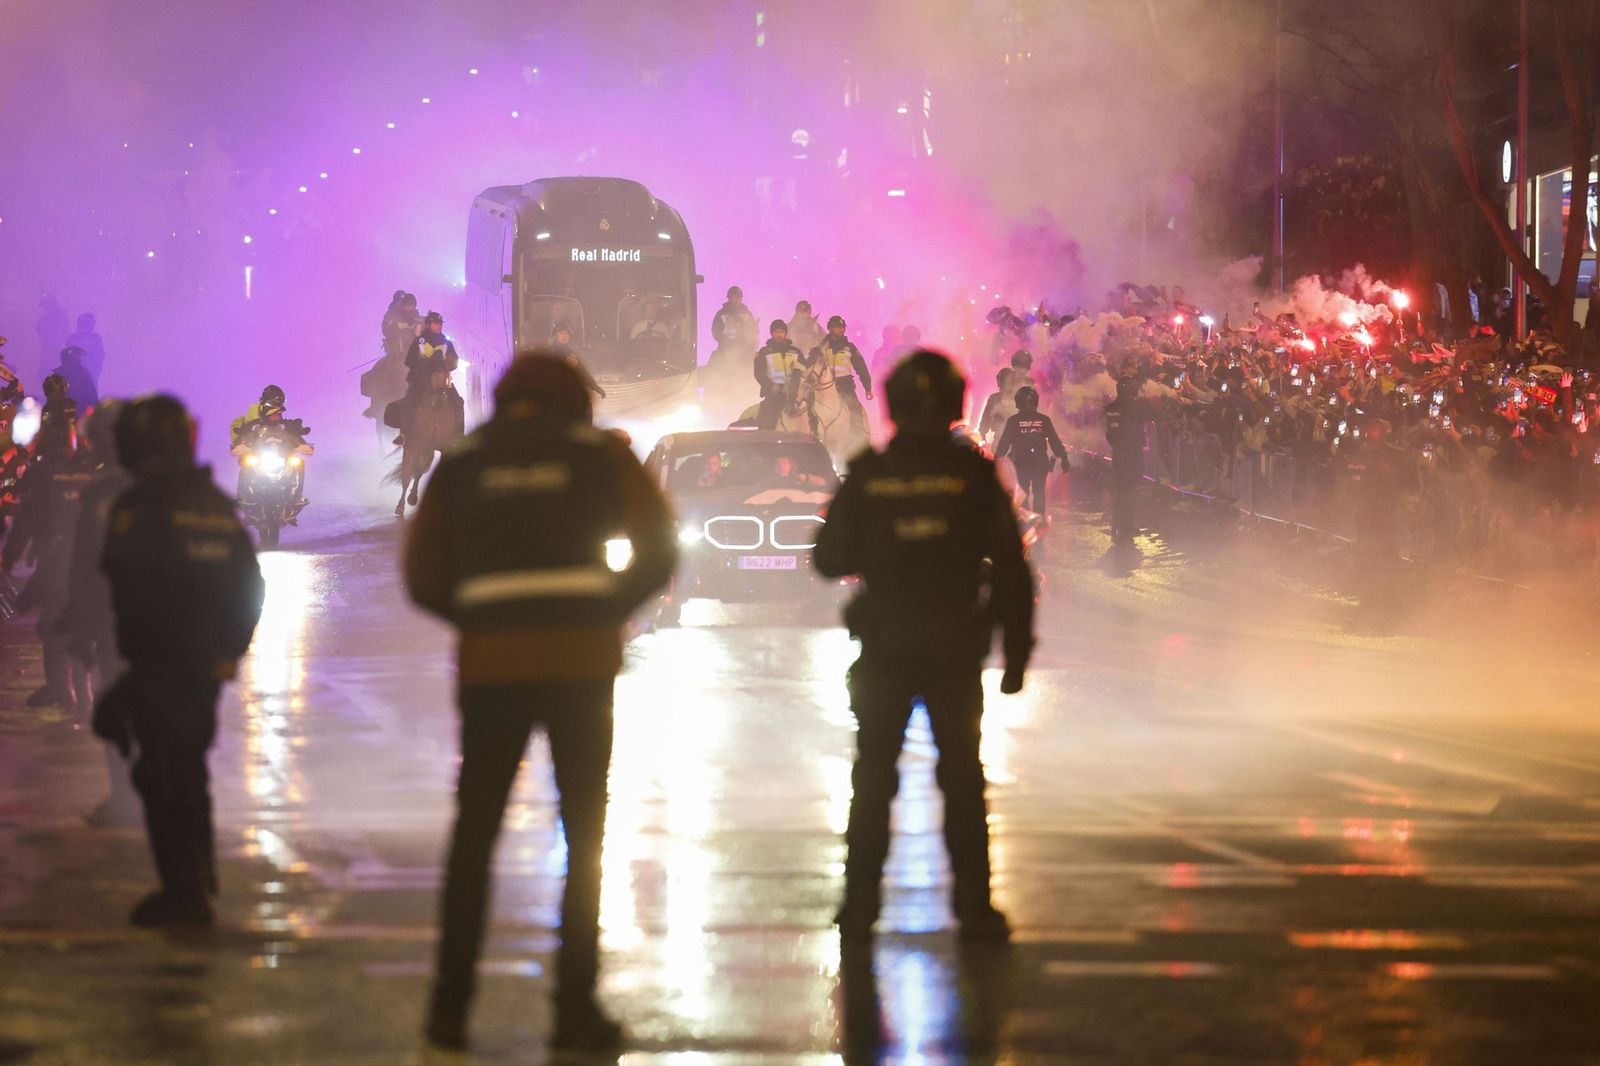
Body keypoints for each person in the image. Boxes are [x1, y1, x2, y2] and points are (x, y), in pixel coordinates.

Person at [404, 352, 677, 1053]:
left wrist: (478, 617)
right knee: (584, 837)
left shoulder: (464, 461)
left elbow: (422, 571)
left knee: (475, 837)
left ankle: (449, 1009)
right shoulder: (600, 456)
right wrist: (607, 609)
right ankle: (575, 1009)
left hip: (492, 669)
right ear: (573, 401)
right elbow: (659, 547)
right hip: (581, 665)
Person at [813, 349, 1035, 943]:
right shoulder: (974, 477)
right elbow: (1014, 572)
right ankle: (976, 911)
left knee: (874, 779)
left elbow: (828, 558)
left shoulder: (870, 474)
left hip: (885, 647)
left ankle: (859, 908)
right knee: (962, 778)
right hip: (956, 649)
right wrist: (1014, 657)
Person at [95, 395, 264, 927]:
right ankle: (199, 882)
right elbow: (249, 587)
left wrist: (132, 678)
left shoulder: (138, 508)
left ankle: (185, 895)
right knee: (187, 770)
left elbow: (129, 593)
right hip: (203, 673)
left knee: (161, 774)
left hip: (161, 668)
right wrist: (226, 655)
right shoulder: (215, 505)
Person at [61, 400, 142, 824]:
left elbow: (84, 564)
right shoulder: (175, 485)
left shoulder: (100, 491)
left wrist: (77, 624)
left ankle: (128, 801)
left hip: (118, 624)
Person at [2, 397, 93, 708]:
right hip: (88, 561)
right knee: (81, 625)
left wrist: (9, 558)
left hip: (54, 562)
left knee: (53, 626)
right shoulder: (89, 469)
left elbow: (25, 521)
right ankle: (81, 692)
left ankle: (61, 689)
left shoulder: (40, 474)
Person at [995, 385, 1069, 514]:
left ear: (1018, 402)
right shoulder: (1044, 420)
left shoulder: (1013, 421)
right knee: (1039, 492)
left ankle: (1026, 523)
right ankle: (1039, 521)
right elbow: (1054, 441)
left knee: (1022, 492)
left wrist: (997, 461)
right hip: (1040, 463)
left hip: (1020, 463)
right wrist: (1064, 458)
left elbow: (1003, 445)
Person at [394, 311, 464, 445]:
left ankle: (459, 435)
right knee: (410, 402)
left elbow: (454, 361)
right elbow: (409, 361)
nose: (439, 326)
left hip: (441, 381)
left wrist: (446, 365)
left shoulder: (445, 342)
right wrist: (423, 364)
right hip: (421, 380)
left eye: (440, 324)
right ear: (428, 325)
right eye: (436, 324)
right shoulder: (419, 341)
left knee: (458, 402)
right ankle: (404, 434)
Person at [1103, 374, 1147, 544]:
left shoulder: (1111, 408)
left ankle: (1120, 522)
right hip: (1133, 453)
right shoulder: (1139, 407)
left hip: (1119, 453)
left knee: (1121, 488)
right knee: (1130, 489)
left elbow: (1110, 433)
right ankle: (1127, 523)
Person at [813, 315, 873, 434]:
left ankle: (858, 437)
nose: (841, 329)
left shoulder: (849, 347)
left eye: (842, 327)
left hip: (845, 384)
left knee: (855, 409)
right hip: (823, 386)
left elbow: (861, 367)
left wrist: (867, 387)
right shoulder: (821, 347)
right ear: (830, 328)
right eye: (837, 327)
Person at [754, 319, 802, 430]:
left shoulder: (795, 351)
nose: (778, 334)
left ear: (785, 333)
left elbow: (805, 369)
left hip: (793, 395)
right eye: (776, 332)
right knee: (766, 420)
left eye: (781, 332)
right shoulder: (765, 351)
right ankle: (765, 442)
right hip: (773, 394)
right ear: (772, 334)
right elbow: (758, 373)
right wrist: (771, 386)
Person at [550, 321, 607, 399]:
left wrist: (595, 387)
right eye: (561, 333)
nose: (564, 336)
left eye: (567, 333)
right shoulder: (551, 353)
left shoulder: (571, 353)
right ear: (556, 336)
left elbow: (582, 372)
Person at [712, 285, 760, 358]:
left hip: (745, 350)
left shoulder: (747, 313)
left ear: (741, 298)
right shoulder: (722, 313)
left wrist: (752, 342)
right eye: (733, 297)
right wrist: (723, 341)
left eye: (738, 297)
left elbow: (754, 330)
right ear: (729, 298)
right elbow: (715, 330)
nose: (736, 299)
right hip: (726, 350)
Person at [52, 345, 99, 410]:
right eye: (76, 356)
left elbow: (92, 396)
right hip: (64, 414)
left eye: (78, 357)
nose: (79, 359)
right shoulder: (57, 374)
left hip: (80, 412)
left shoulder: (84, 373)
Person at [64, 313, 107, 385]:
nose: (91, 326)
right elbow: (65, 356)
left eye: (91, 324)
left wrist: (96, 370)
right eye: (87, 324)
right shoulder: (72, 339)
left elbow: (100, 356)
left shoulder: (96, 339)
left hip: (90, 374)